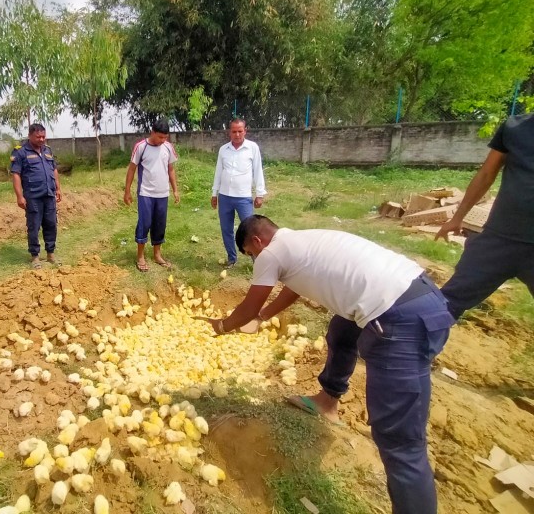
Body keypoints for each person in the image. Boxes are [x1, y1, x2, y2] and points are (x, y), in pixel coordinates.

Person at [198, 215, 453, 514]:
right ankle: (327, 401)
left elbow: (248, 306)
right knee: (342, 331)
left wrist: (223, 326)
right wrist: (264, 317)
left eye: (251, 254)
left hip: (398, 318)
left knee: (401, 445)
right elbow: (294, 288)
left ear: (257, 242)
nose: (255, 259)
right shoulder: (302, 240)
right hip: (422, 293)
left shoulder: (269, 253)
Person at [435, 113, 534, 318]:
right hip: (499, 239)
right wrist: (457, 218)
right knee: (447, 304)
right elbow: (487, 174)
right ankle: (413, 345)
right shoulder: (514, 127)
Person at [123, 118, 180, 271]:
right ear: (152, 132)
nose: (163, 140)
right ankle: (140, 256)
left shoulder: (168, 147)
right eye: (160, 137)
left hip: (163, 194)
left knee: (160, 224)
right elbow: (131, 169)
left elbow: (171, 169)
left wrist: (175, 189)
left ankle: (157, 254)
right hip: (145, 193)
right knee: (145, 222)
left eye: (165, 137)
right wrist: (127, 191)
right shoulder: (141, 147)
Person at [211, 119, 266, 267]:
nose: (237, 134)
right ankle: (231, 257)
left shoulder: (252, 148)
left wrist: (259, 194)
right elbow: (218, 172)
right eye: (234, 131)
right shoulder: (224, 149)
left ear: (245, 131)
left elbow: (258, 171)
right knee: (226, 229)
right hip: (225, 197)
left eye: (240, 131)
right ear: (229, 132)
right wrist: (214, 193)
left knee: (250, 230)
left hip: (243, 197)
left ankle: (257, 260)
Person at [10, 123, 62, 269]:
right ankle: (35, 257)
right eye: (38, 136)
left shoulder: (48, 150)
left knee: (51, 224)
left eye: (43, 136)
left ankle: (50, 254)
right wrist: (19, 196)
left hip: (49, 194)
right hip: (33, 196)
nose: (41, 139)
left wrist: (58, 188)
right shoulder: (20, 152)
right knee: (34, 226)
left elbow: (54, 170)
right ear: (30, 136)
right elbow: (16, 175)